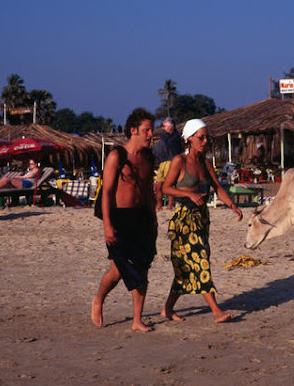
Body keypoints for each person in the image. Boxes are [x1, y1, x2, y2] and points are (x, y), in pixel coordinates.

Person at [160, 119, 243, 324]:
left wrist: (232, 205)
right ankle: (216, 311)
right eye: (201, 137)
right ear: (189, 139)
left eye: (207, 137)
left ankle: (167, 309)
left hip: (202, 219)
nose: (205, 141)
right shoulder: (179, 161)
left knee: (187, 268)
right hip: (183, 220)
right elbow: (165, 188)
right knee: (200, 262)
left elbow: (217, 187)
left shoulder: (206, 163)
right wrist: (187, 194)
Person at [91, 108, 158, 332]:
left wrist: (154, 220)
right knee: (118, 271)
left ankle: (137, 320)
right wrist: (107, 226)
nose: (151, 134)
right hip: (120, 218)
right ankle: (99, 298)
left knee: (142, 268)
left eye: (152, 130)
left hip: (143, 217)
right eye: (147, 130)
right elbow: (107, 193)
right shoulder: (116, 156)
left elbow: (149, 192)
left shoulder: (148, 158)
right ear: (133, 130)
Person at [153, 118, 183, 210]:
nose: (163, 128)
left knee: (169, 184)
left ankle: (170, 205)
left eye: (164, 126)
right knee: (158, 186)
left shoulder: (175, 137)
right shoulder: (163, 138)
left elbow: (175, 149)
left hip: (171, 161)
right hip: (162, 163)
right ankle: (159, 204)